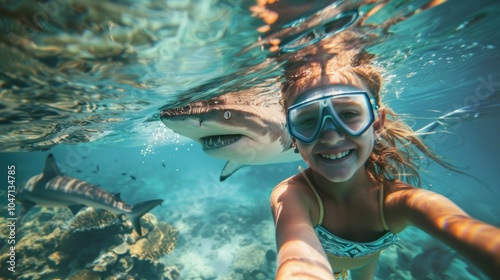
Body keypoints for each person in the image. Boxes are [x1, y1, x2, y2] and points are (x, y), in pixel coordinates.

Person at [270, 57, 500, 279]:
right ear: (292, 137)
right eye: (308, 120)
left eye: (349, 114)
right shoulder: (293, 196)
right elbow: (298, 255)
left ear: (377, 123)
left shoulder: (401, 201)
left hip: (367, 263)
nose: (330, 136)